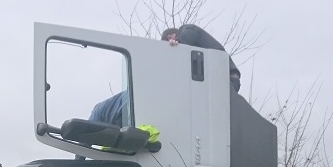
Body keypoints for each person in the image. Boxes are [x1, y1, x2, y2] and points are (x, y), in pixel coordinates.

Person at [88, 25, 241, 126]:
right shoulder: (196, 54)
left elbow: (190, 35)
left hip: (227, 79)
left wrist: (178, 43)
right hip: (224, 80)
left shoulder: (186, 29)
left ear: (170, 38)